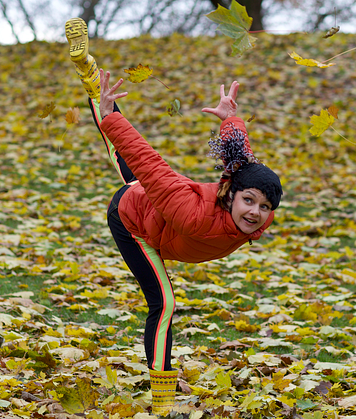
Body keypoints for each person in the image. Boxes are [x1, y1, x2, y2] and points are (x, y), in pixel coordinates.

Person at [65, 17, 283, 416]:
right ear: (230, 196)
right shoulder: (193, 213)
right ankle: (162, 402)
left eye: (265, 207)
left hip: (163, 203)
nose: (255, 213)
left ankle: (89, 74)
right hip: (136, 223)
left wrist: (230, 119)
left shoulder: (240, 192)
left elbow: (242, 162)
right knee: (164, 304)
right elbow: (148, 162)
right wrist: (113, 118)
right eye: (249, 202)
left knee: (123, 156)